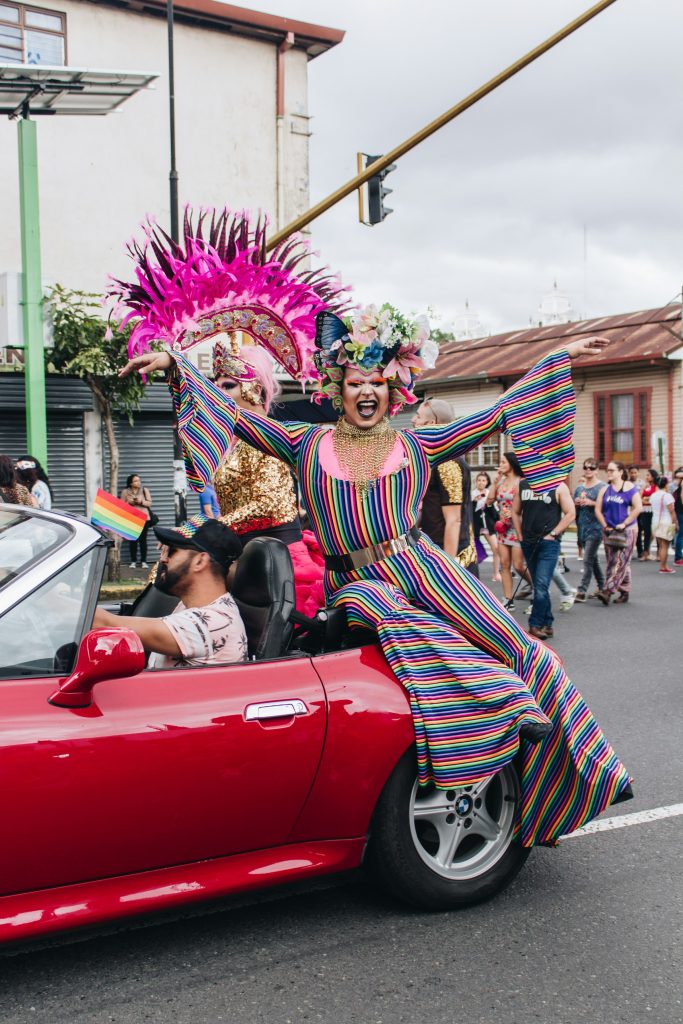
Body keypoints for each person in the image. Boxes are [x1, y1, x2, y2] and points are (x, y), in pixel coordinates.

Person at [114, 209, 632, 847]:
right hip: (357, 580)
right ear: (338, 386)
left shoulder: (421, 445)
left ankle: (562, 785)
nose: (365, 391)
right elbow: (231, 415)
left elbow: (499, 413)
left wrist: (559, 359)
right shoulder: (305, 443)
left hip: (421, 564)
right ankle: (507, 705)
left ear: (393, 391)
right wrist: (175, 362)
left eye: (376, 383)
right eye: (353, 381)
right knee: (404, 625)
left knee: (521, 644)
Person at [210, 338, 325, 618]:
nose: (217, 391)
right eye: (215, 384)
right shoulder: (235, 441)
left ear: (255, 389)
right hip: (242, 559)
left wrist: (210, 527)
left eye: (227, 385)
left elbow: (270, 504)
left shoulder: (269, 437)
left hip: (274, 562)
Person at [93, 517, 247, 669]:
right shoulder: (196, 607)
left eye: (172, 551)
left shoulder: (212, 624)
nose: (163, 559)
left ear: (200, 562)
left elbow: (105, 623)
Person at [411, 398, 478, 576]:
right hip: (436, 552)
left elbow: (454, 520)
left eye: (418, 416)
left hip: (451, 560)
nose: (413, 421)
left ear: (431, 423)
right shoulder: (437, 458)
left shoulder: (447, 461)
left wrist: (447, 572)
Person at [512, 475, 575, 640]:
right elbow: (515, 511)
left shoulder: (559, 486)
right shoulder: (523, 485)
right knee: (539, 584)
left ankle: (535, 624)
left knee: (540, 585)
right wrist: (519, 533)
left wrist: (554, 533)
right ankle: (548, 624)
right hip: (528, 541)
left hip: (549, 543)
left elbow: (570, 513)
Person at [487, 453, 531, 609]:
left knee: (518, 565)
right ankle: (508, 599)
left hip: (518, 528)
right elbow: (489, 501)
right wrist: (495, 482)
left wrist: (513, 512)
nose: (500, 464)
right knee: (504, 564)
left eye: (503, 462)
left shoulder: (523, 482)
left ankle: (534, 586)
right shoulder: (501, 482)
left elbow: (528, 505)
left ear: (512, 464)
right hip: (503, 528)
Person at [594, 461, 642, 604]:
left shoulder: (629, 488)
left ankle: (607, 591)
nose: (609, 473)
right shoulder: (605, 490)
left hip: (627, 530)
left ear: (620, 472)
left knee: (619, 561)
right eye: (608, 470)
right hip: (609, 530)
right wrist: (604, 525)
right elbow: (598, 509)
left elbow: (638, 507)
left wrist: (625, 523)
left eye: (612, 470)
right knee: (615, 561)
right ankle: (625, 590)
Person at [573, 459, 606, 601]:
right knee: (593, 560)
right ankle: (603, 587)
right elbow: (574, 505)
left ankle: (581, 591)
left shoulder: (602, 487)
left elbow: (606, 506)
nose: (588, 470)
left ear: (597, 470)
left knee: (587, 559)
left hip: (596, 527)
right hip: (582, 526)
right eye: (585, 467)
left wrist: (591, 503)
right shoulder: (580, 488)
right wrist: (576, 502)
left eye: (591, 468)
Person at [472, 471, 501, 580]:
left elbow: (495, 513)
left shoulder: (490, 494)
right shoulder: (472, 495)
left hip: (488, 525)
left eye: (483, 480)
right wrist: (474, 502)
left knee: (496, 548)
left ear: (487, 482)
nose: (481, 482)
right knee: (473, 551)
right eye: (479, 480)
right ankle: (472, 574)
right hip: (476, 526)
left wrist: (488, 504)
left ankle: (496, 573)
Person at [120, 474, 153, 568]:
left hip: (144, 518)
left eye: (139, 480)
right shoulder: (125, 492)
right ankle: (133, 561)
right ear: (131, 483)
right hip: (131, 519)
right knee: (132, 540)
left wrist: (141, 501)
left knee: (143, 540)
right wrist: (129, 502)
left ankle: (144, 561)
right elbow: (121, 506)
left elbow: (150, 503)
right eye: (135, 481)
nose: (138, 482)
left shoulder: (144, 490)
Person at [649, 476, 676, 573]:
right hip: (666, 522)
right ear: (666, 484)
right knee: (665, 546)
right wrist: (675, 523)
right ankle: (663, 567)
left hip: (655, 522)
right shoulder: (667, 496)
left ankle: (663, 566)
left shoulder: (653, 495)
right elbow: (672, 511)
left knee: (661, 545)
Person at [636, 468, 658, 560]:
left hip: (653, 510)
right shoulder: (645, 486)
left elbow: (655, 498)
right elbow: (639, 497)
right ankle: (645, 553)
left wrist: (646, 499)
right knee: (646, 532)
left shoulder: (656, 486)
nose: (646, 477)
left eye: (648, 475)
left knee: (654, 532)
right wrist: (645, 498)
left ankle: (656, 553)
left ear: (653, 477)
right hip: (644, 510)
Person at [673, 470, 683, 566]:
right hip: (681, 512)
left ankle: (679, 557)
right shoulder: (680, 489)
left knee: (680, 535)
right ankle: (678, 558)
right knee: (681, 535)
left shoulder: (678, 488)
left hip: (679, 511)